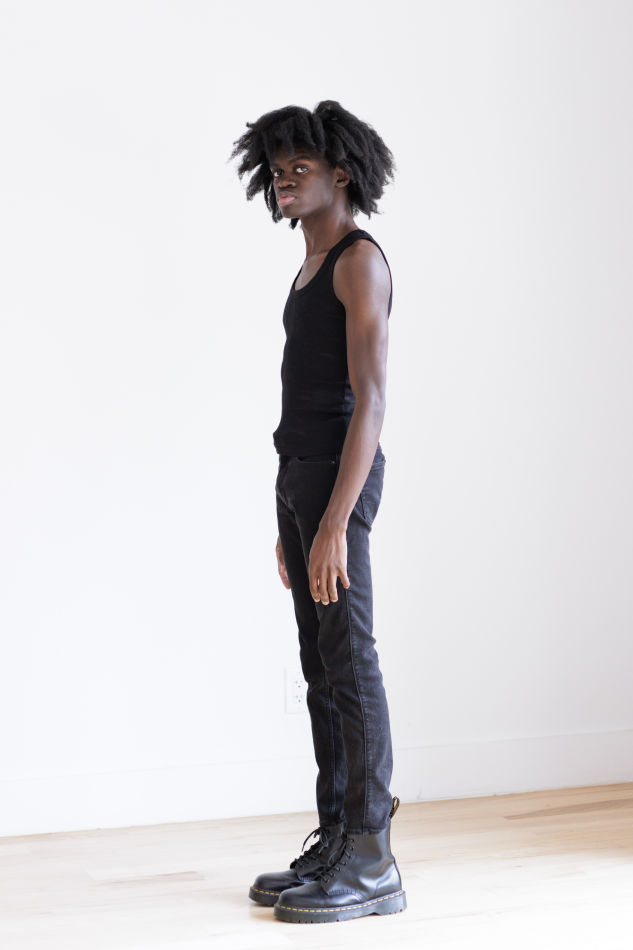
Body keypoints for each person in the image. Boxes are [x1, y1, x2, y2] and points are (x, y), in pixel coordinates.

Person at [229, 100, 406, 924]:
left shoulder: (357, 261)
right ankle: (337, 838)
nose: (283, 180)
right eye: (276, 170)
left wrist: (334, 521)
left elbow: (371, 402)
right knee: (320, 668)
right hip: (299, 479)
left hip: (339, 480)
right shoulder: (309, 265)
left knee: (351, 663)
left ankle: (372, 859)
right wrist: (290, 516)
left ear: (341, 173)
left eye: (298, 168)